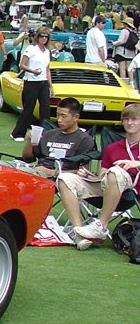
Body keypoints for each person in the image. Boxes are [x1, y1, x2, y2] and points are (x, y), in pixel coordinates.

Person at [58, 103, 140, 249]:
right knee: (65, 178)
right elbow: (103, 175)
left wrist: (137, 164)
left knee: (116, 172)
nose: (129, 123)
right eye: (126, 119)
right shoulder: (112, 148)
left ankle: (101, 226)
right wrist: (90, 176)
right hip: (107, 186)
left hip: (130, 191)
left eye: (134, 119)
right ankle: (80, 233)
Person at [16, 97, 95, 178]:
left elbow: (83, 172)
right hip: (37, 171)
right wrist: (30, 140)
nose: (59, 120)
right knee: (4, 166)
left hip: (60, 177)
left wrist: (53, 172)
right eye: (58, 115)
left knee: (19, 175)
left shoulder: (84, 140)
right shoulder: (49, 134)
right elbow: (27, 158)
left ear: (76, 117)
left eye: (63, 116)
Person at [10, 28, 54, 141]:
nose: (44, 38)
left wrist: (50, 85)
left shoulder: (47, 51)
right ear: (38, 37)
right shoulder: (31, 49)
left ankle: (46, 134)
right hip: (31, 82)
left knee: (45, 109)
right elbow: (22, 65)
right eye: (42, 36)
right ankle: (18, 133)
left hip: (43, 82)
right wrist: (33, 71)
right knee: (28, 109)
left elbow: (47, 69)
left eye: (46, 37)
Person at [111, 15, 137, 80]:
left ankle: (124, 81)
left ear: (125, 24)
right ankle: (131, 81)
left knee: (122, 68)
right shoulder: (133, 31)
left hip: (122, 52)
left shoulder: (124, 31)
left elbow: (121, 41)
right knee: (129, 68)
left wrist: (114, 43)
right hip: (131, 52)